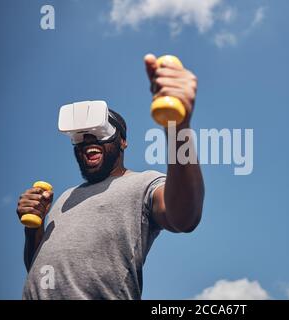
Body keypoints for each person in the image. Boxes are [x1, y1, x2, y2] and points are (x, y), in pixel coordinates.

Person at [16, 54, 205, 299]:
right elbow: (36, 266)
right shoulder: (63, 198)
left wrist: (178, 125)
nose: (89, 140)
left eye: (100, 131)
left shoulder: (143, 184)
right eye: (81, 136)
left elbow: (184, 216)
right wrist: (34, 229)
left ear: (123, 142)